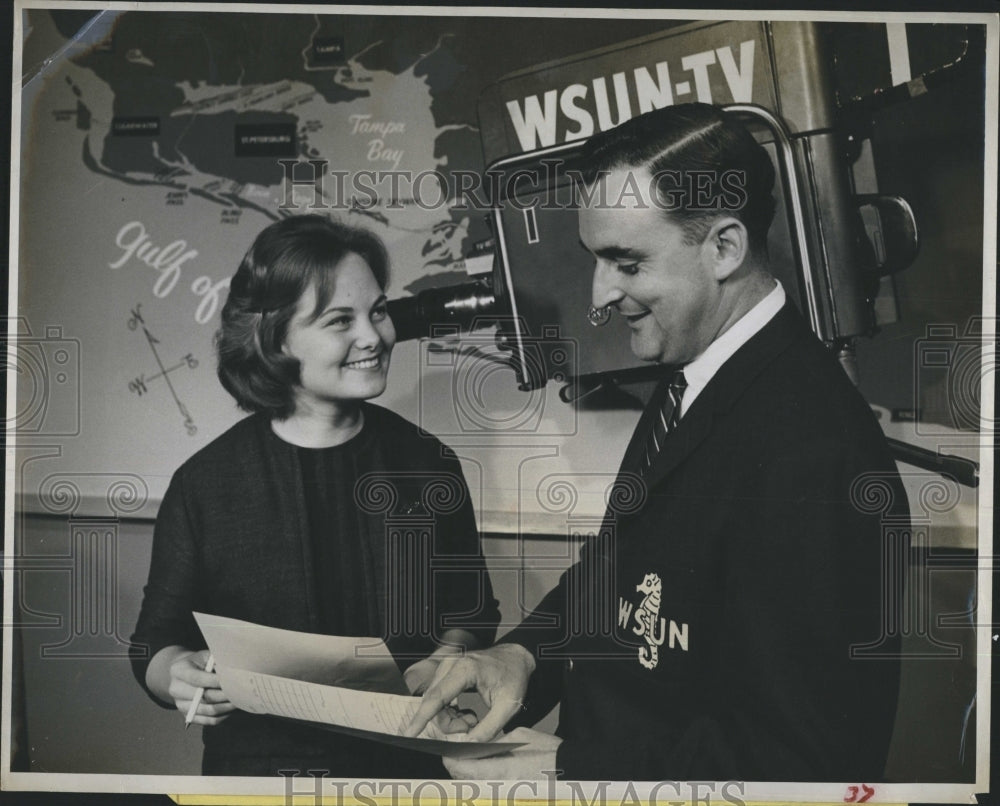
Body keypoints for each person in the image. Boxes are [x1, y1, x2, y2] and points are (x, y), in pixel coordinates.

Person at [405, 103, 908, 782]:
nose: (600, 294)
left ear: (724, 248)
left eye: (627, 262)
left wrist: (567, 769)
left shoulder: (814, 451)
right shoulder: (693, 376)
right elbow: (627, 570)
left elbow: (807, 764)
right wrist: (521, 655)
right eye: (595, 259)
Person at [130, 214, 500, 777]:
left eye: (378, 311)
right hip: (259, 773)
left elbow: (472, 612)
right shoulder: (203, 484)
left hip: (407, 761)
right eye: (340, 320)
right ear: (275, 339)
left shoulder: (431, 464)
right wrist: (175, 673)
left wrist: (443, 665)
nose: (374, 337)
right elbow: (154, 642)